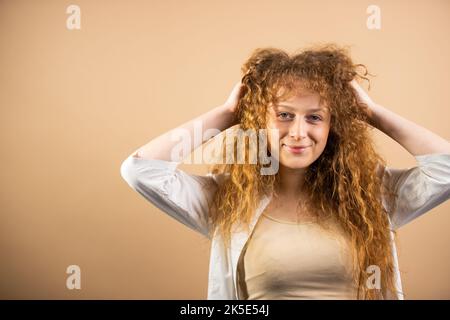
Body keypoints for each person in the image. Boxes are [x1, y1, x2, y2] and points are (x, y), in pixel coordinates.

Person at [120, 44, 450, 300]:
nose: (297, 132)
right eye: (284, 115)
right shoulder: (229, 200)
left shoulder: (373, 193)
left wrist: (372, 112)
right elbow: (141, 170)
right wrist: (227, 113)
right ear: (259, 121)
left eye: (315, 117)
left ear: (334, 125)